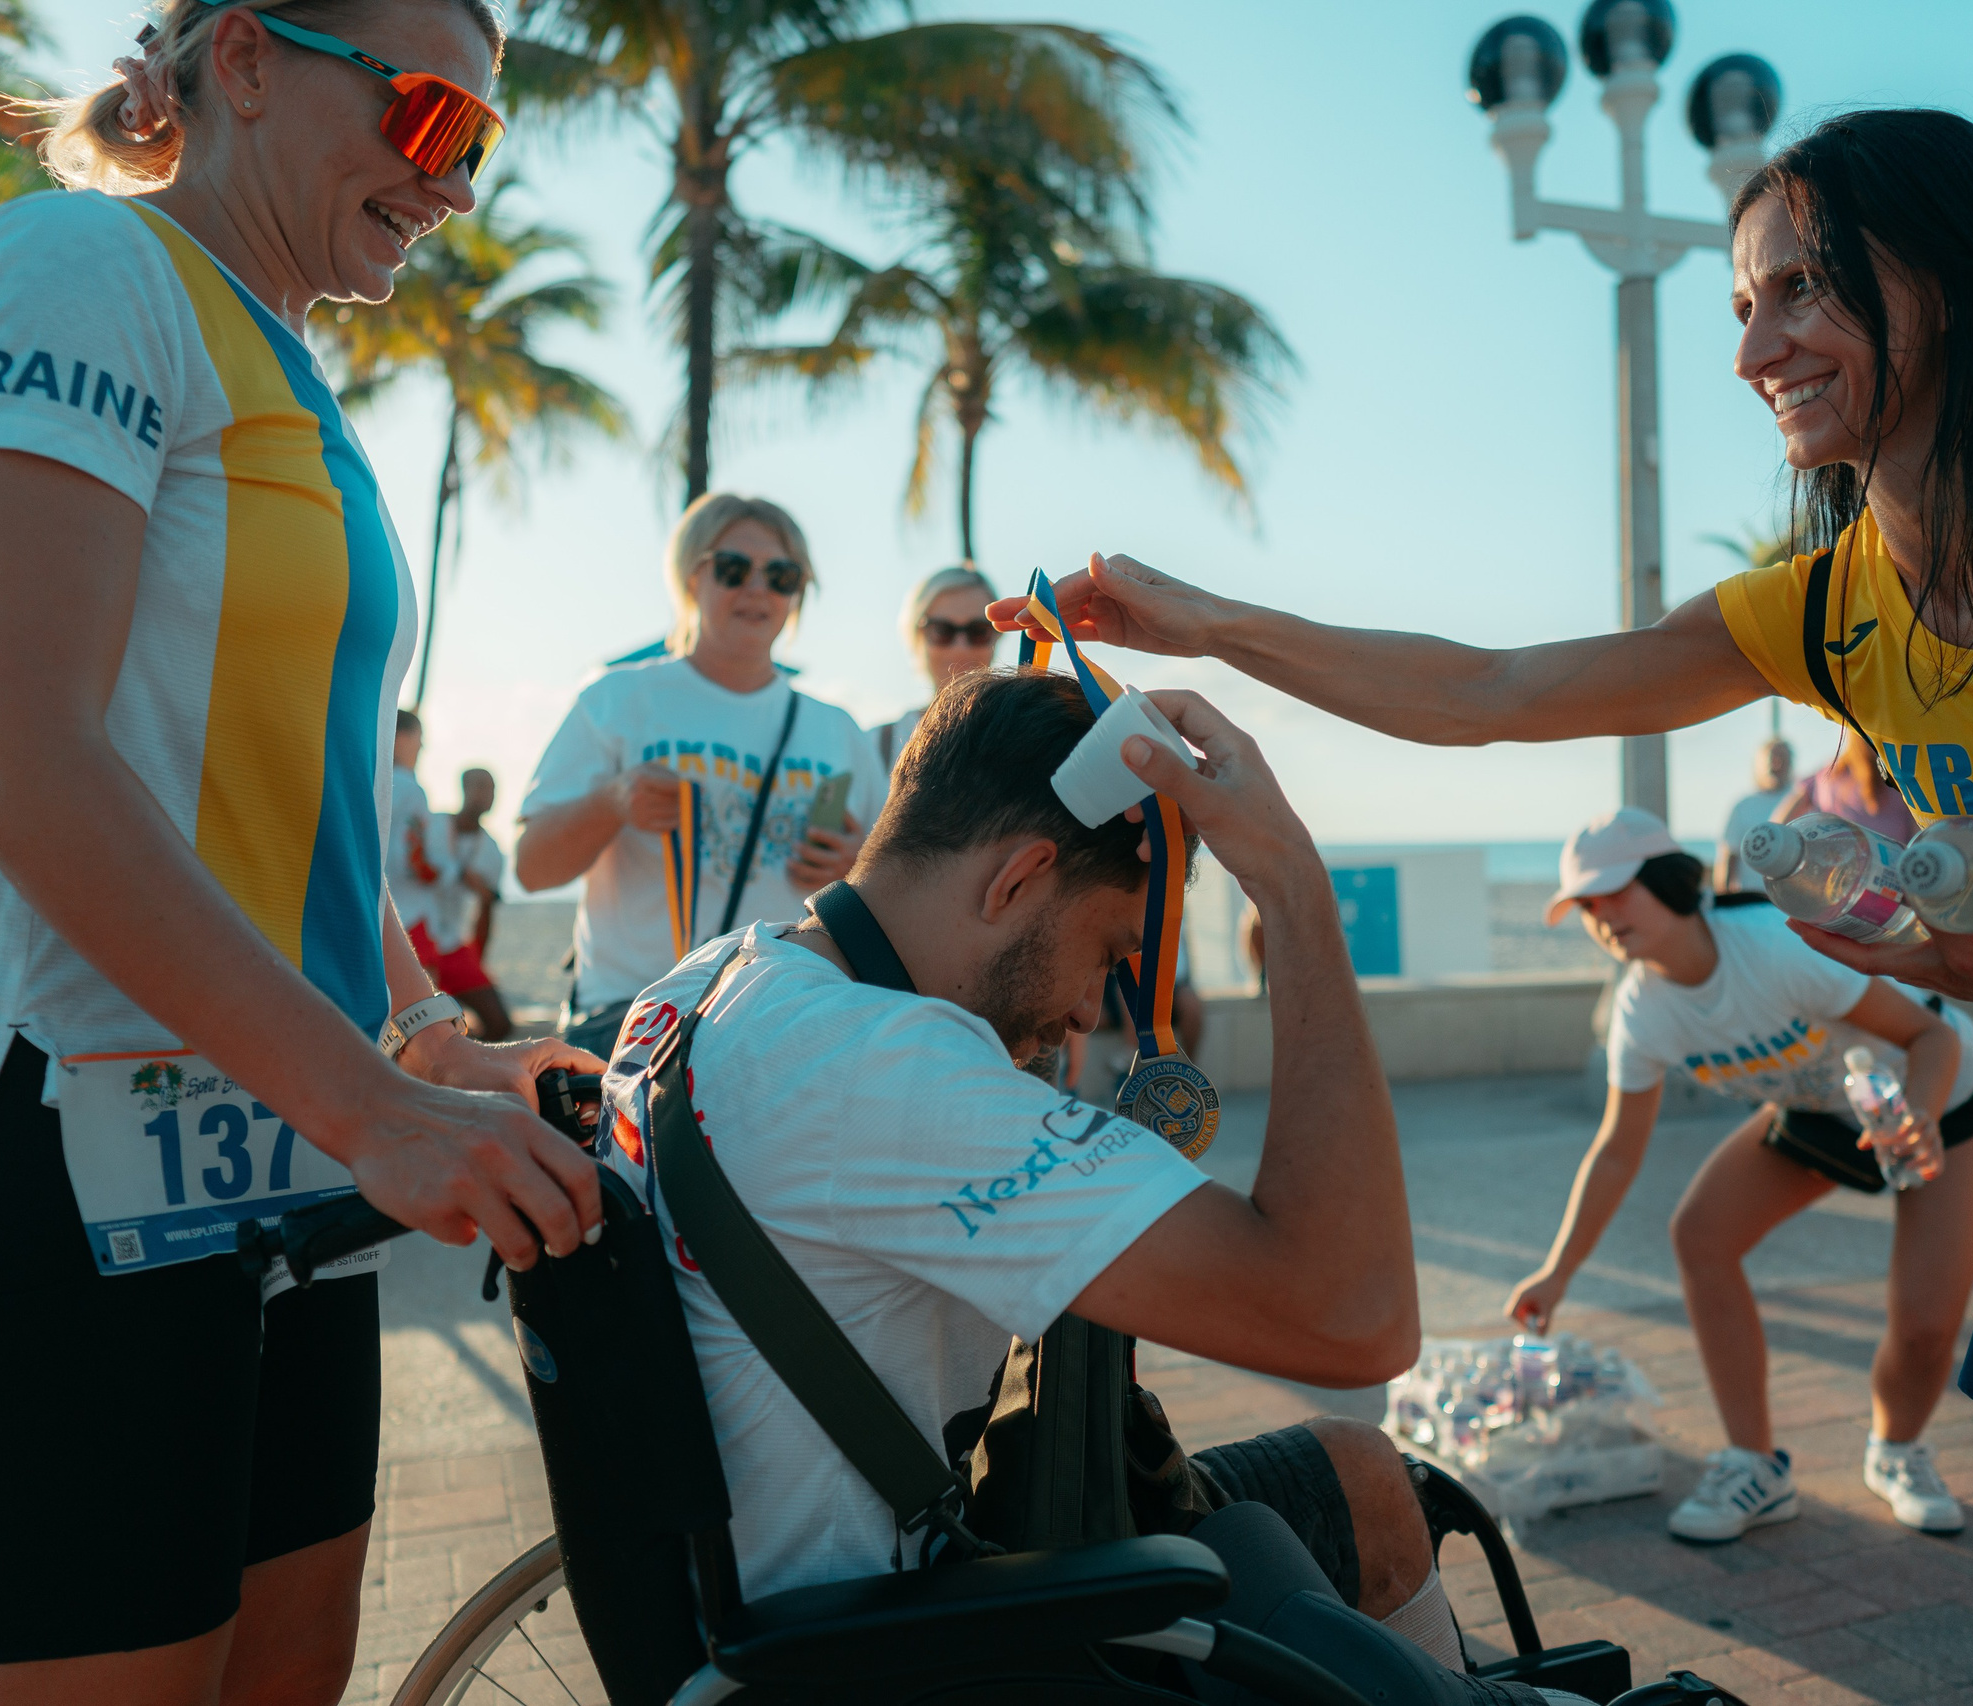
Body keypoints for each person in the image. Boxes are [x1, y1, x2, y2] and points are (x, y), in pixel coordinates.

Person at [997, 108, 1973, 1704]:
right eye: (1740, 307)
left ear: (1956, 283)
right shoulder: (1835, 607)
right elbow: (1497, 690)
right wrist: (1208, 617)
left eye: (1799, 293)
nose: (1754, 349)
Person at [0, 3, 603, 1699]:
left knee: (286, 1679)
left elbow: (285, 802)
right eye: (423, 118)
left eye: (480, 144)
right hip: (33, 1139)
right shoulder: (78, 268)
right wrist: (381, 1106)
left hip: (271, 1135)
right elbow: (10, 754)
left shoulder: (282, 364)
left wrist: (425, 1035)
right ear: (241, 58)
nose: (451, 188)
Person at [596, 669, 1572, 1704]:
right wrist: (1291, 888)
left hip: (756, 1620)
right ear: (1017, 878)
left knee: (1359, 1476)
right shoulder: (881, 1069)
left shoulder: (713, 978)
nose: (1083, 1013)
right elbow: (1357, 1320)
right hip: (903, 1646)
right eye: (1108, 951)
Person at [1504, 810, 1973, 1542]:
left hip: (1944, 1094)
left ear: (1669, 881)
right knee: (1700, 1236)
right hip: (1819, 1108)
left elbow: (1930, 1034)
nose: (1602, 917)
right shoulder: (1641, 1013)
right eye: (1584, 906)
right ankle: (1756, 1467)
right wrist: (1556, 1274)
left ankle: (1896, 1452)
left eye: (1613, 892)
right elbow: (1617, 1149)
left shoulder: (1773, 948)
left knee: (1928, 1325)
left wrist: (1920, 1118)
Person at [516, 493, 884, 1059]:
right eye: (734, 569)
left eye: (781, 575)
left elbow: (894, 894)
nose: (758, 589)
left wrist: (853, 871)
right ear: (691, 578)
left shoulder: (836, 731)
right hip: (634, 1016)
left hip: (782, 1024)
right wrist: (613, 803)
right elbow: (532, 868)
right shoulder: (617, 699)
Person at [870, 564, 999, 769]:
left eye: (978, 631)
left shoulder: (1028, 739)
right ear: (916, 636)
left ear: (997, 635)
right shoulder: (875, 747)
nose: (960, 647)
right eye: (942, 631)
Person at [425, 766, 511, 1041]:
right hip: (414, 938)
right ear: (464, 788)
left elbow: (485, 914)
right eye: (482, 786)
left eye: (493, 789)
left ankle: (470, 1071)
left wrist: (477, 963)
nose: (489, 795)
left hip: (453, 947)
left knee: (499, 1023)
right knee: (425, 1028)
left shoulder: (492, 852)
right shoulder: (432, 825)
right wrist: (461, 875)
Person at [1774, 733, 1917, 844]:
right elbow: (1777, 828)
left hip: (1846, 874)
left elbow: (1775, 831)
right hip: (1867, 874)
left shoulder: (1827, 774)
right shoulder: (1829, 775)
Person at [391, 708, 452, 967]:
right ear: (401, 738)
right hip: (409, 914)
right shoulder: (409, 789)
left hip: (373, 913)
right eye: (419, 737)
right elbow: (413, 860)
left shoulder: (365, 780)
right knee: (425, 1002)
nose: (422, 747)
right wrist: (446, 873)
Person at [1710, 736, 1792, 892]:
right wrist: (1724, 901)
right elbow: (1728, 856)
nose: (1777, 764)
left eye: (1782, 758)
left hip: (1793, 904)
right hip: (1752, 901)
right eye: (1772, 759)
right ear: (1759, 764)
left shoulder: (1803, 802)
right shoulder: (1743, 806)